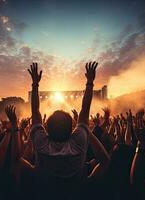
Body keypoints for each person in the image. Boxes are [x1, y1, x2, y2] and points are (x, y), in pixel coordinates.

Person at [28, 62, 107, 199]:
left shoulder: (41, 143)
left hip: (46, 194)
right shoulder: (78, 142)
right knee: (99, 162)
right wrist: (89, 82)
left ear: (46, 128)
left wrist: (35, 84)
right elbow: (85, 109)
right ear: (71, 129)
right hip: (76, 193)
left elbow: (35, 111)